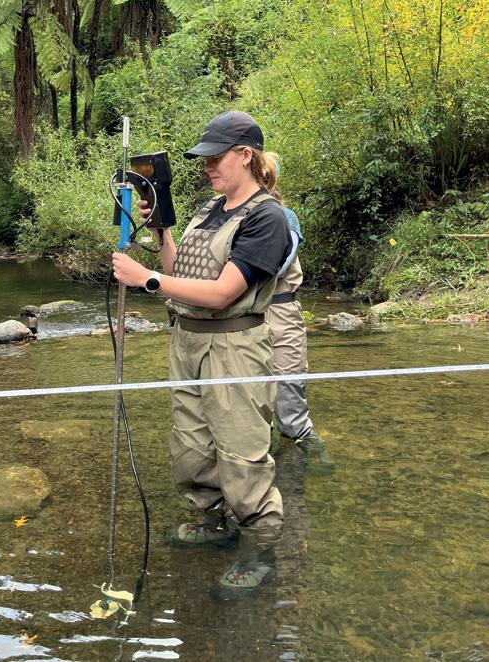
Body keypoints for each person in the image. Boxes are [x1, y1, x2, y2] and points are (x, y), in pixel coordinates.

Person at [112, 110, 292, 600]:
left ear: (245, 155)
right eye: (204, 158)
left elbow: (221, 293)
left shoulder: (267, 218)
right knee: (192, 445)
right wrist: (161, 234)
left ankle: (259, 551)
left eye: (216, 157)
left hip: (235, 346)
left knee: (240, 450)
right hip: (187, 340)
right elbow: (182, 273)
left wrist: (145, 279)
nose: (207, 165)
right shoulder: (210, 208)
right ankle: (213, 521)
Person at [267, 205, 334, 473]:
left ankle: (302, 450)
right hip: (240, 313)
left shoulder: (286, 216)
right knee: (249, 397)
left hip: (280, 310)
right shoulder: (226, 216)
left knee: (289, 387)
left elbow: (278, 266)